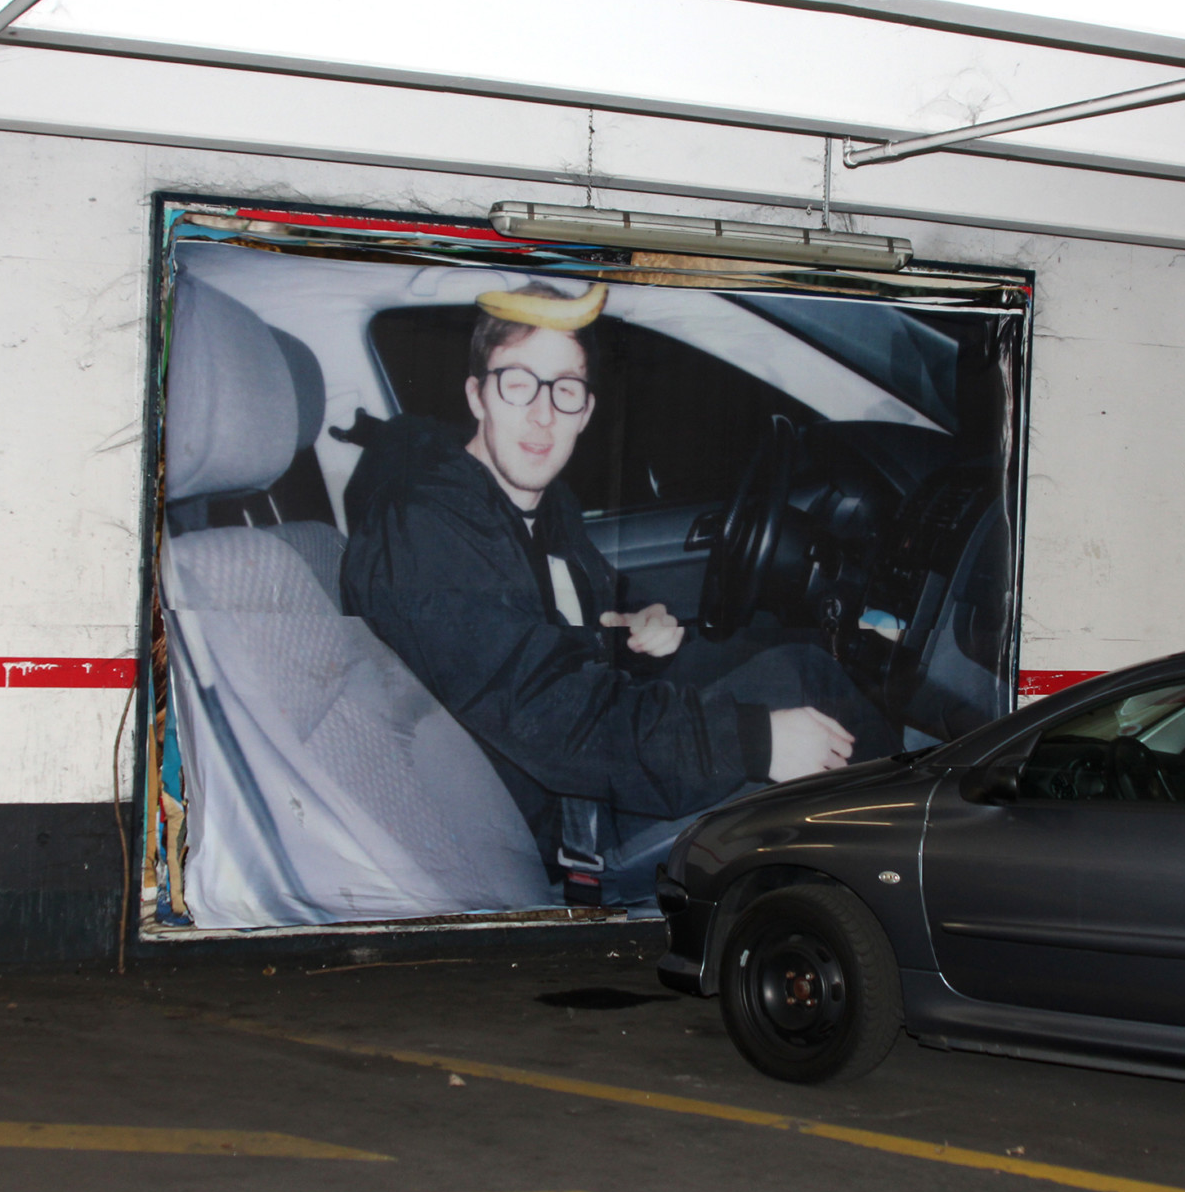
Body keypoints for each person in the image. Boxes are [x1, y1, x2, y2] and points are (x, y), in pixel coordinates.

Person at [337, 280, 894, 907]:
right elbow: (545, 710)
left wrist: (627, 629)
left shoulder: (539, 504)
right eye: (517, 382)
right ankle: (900, 884)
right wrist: (755, 741)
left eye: (565, 390)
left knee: (794, 658)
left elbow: (544, 634)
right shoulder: (427, 528)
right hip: (563, 824)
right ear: (478, 395)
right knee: (810, 688)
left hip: (569, 768)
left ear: (587, 409)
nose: (543, 414)